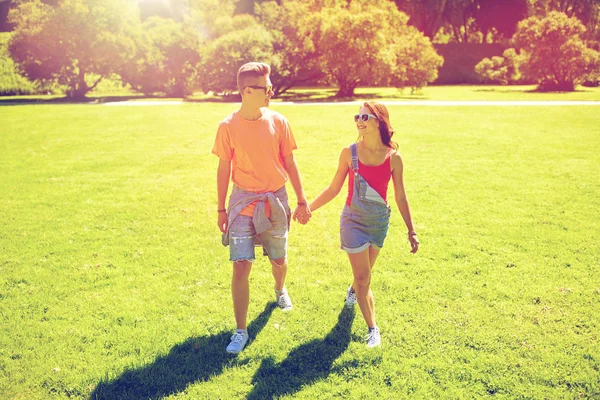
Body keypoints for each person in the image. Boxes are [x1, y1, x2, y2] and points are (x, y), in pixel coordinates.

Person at [301, 101, 419, 348]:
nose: (359, 121)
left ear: (379, 121)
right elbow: (334, 188)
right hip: (352, 221)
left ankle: (354, 291)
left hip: (378, 223)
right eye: (357, 116)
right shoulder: (349, 153)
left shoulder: (394, 158)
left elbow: (400, 196)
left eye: (365, 117)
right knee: (364, 277)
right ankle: (373, 329)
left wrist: (411, 230)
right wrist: (308, 207)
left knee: (363, 276)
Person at [212, 62, 311, 354]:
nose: (271, 92)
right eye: (266, 88)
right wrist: (220, 209)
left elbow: (290, 163)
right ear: (246, 91)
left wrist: (302, 200)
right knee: (241, 264)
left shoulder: (279, 121)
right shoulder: (227, 127)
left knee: (278, 260)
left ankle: (280, 290)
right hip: (242, 201)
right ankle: (241, 330)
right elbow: (222, 169)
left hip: (275, 201)